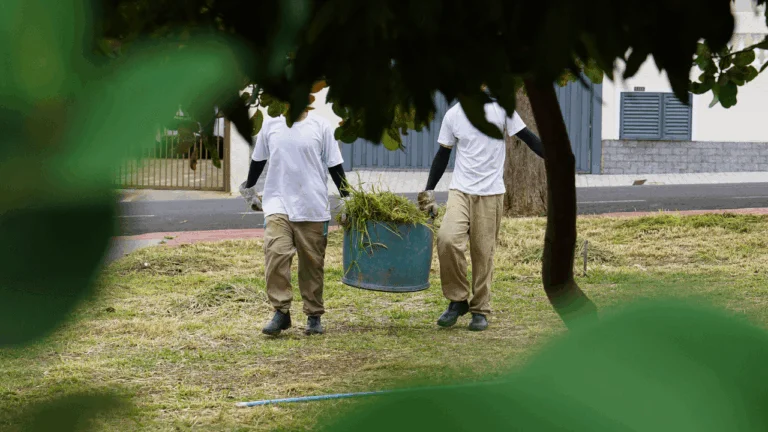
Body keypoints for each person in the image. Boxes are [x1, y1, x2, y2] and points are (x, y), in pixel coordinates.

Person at [418, 96, 544, 331]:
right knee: (447, 239)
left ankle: (480, 309)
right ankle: (457, 300)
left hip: (491, 193)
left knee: (483, 253)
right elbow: (443, 154)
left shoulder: (503, 110)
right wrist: (429, 189)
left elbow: (527, 138)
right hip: (460, 190)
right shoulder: (454, 115)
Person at [239, 108, 349, 336]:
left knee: (312, 264)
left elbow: (334, 165)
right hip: (277, 203)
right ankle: (281, 311)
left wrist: (347, 198)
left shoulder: (321, 126)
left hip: (312, 206)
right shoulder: (271, 126)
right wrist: (249, 187)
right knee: (275, 254)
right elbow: (258, 160)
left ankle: (314, 315)